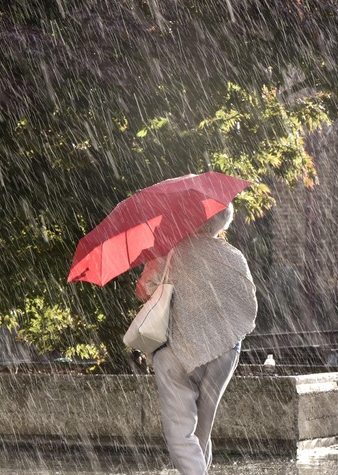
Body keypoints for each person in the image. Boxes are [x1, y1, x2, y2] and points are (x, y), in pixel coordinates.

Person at [135, 203, 258, 475]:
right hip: (224, 351)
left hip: (175, 349)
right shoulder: (234, 257)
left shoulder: (172, 252)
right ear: (223, 223)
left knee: (181, 434)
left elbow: (144, 290)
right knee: (202, 429)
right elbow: (248, 306)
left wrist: (160, 253)